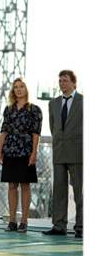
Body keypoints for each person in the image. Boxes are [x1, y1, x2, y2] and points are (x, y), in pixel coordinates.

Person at [43, 70, 87, 238]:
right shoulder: (53, 103)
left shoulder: (84, 102)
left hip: (78, 152)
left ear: (74, 83)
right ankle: (59, 225)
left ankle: (82, 227)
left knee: (80, 192)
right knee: (59, 192)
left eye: (65, 80)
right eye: (60, 80)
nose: (62, 83)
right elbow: (54, 127)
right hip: (59, 152)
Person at [0, 77, 42, 233]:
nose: (18, 89)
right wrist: (0, 150)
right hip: (10, 148)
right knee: (11, 185)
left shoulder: (34, 109)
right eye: (16, 87)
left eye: (21, 86)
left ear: (26, 89)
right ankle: (12, 221)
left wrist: (34, 153)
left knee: (25, 184)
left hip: (26, 149)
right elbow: (4, 131)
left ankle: (24, 220)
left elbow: (36, 133)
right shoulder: (8, 110)